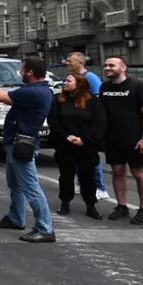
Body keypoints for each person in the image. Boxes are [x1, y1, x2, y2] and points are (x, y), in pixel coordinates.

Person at [0, 56, 55, 242]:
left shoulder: (33, 92)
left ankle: (45, 229)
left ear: (29, 72)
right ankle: (16, 218)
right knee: (16, 184)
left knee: (31, 187)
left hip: (21, 144)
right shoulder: (37, 89)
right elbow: (6, 96)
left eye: (22, 69)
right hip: (17, 142)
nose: (19, 72)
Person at [99, 56, 143, 224]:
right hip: (112, 139)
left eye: (111, 65)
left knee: (139, 172)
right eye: (106, 65)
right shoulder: (104, 87)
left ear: (122, 68)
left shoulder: (136, 86)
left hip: (135, 139)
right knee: (117, 171)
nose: (107, 67)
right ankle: (121, 206)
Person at [47, 73, 107, 219]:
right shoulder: (58, 101)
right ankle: (65, 202)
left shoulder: (93, 102)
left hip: (86, 146)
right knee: (66, 176)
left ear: (79, 84)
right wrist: (66, 136)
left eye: (68, 80)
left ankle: (90, 205)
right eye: (65, 80)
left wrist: (84, 139)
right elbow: (53, 122)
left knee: (88, 176)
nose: (64, 83)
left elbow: (99, 124)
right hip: (65, 145)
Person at [66, 52, 109, 200]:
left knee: (91, 158)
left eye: (70, 61)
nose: (67, 63)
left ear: (80, 63)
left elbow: (98, 99)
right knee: (77, 156)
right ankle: (80, 182)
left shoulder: (90, 77)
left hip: (88, 125)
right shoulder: (72, 78)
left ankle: (100, 187)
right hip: (76, 122)